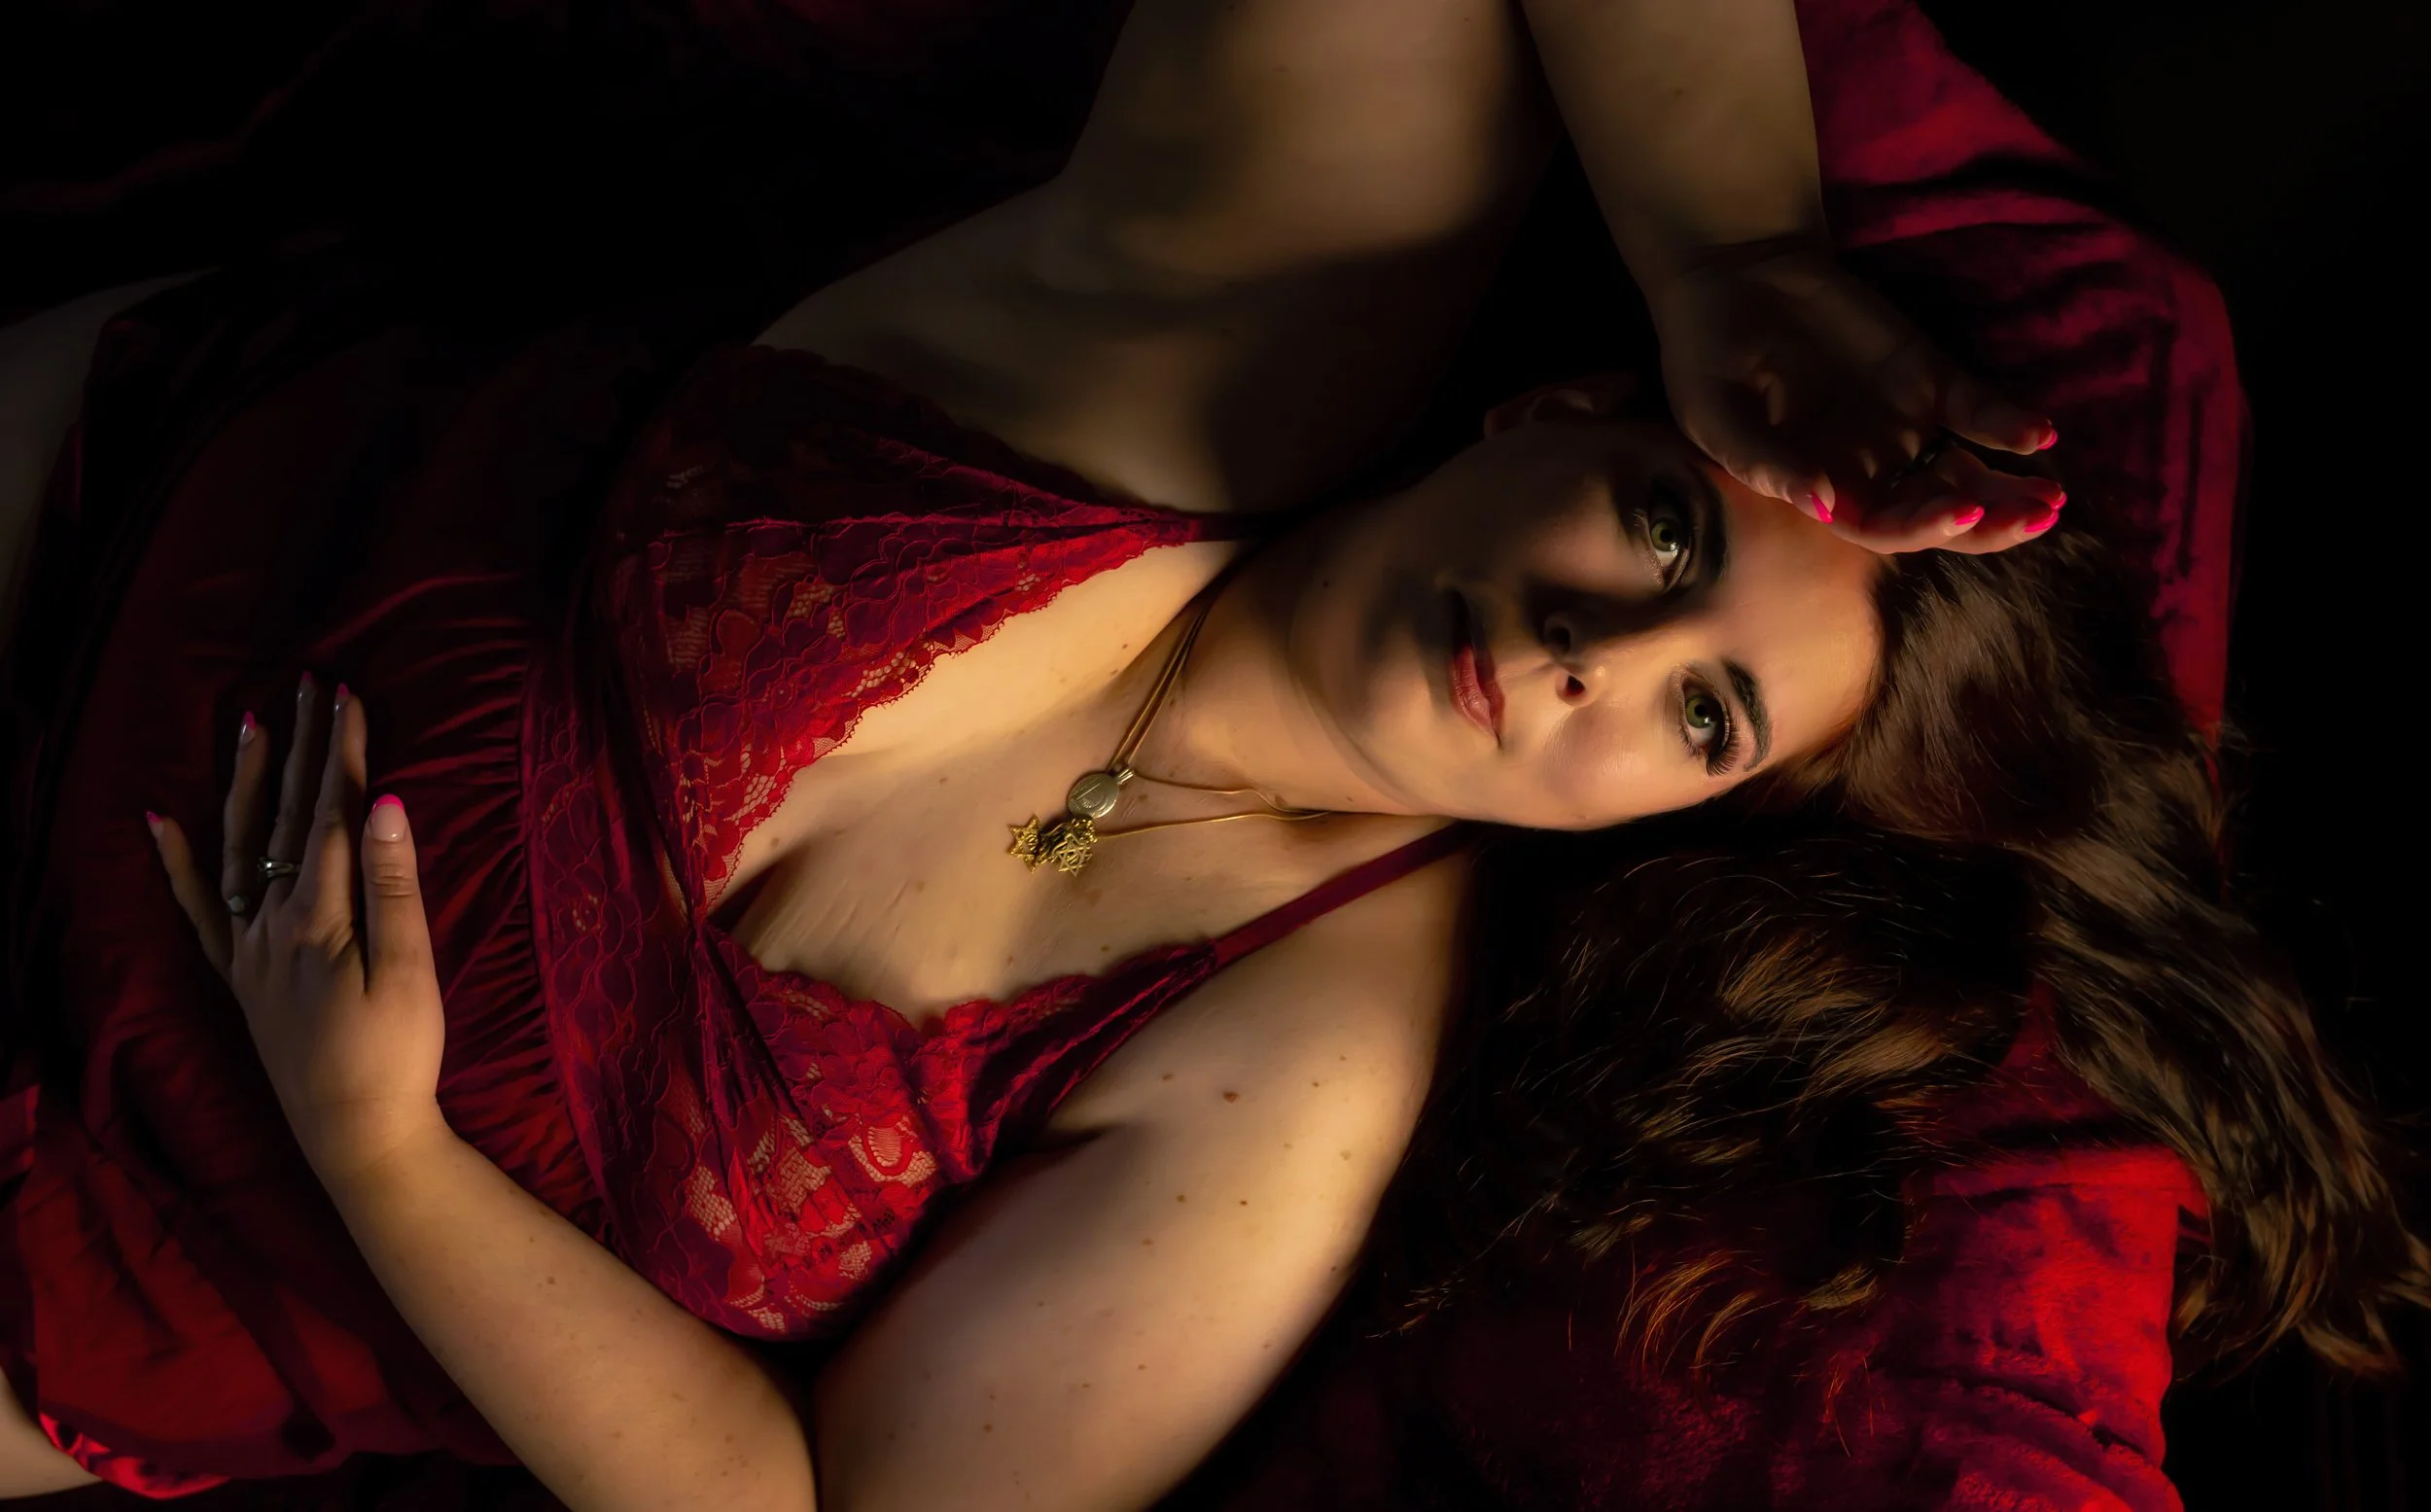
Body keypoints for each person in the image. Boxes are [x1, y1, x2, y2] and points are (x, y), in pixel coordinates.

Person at [1, 1, 2372, 1510]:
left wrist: (385, 1150)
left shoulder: (1295, 1064)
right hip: (83, 540)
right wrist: (1733, 261)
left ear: (1686, 815)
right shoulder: (1238, 319)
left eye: (1700, 711)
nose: (1588, 654)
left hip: (119, 1247)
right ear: (1564, 408)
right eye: (1660, 529)